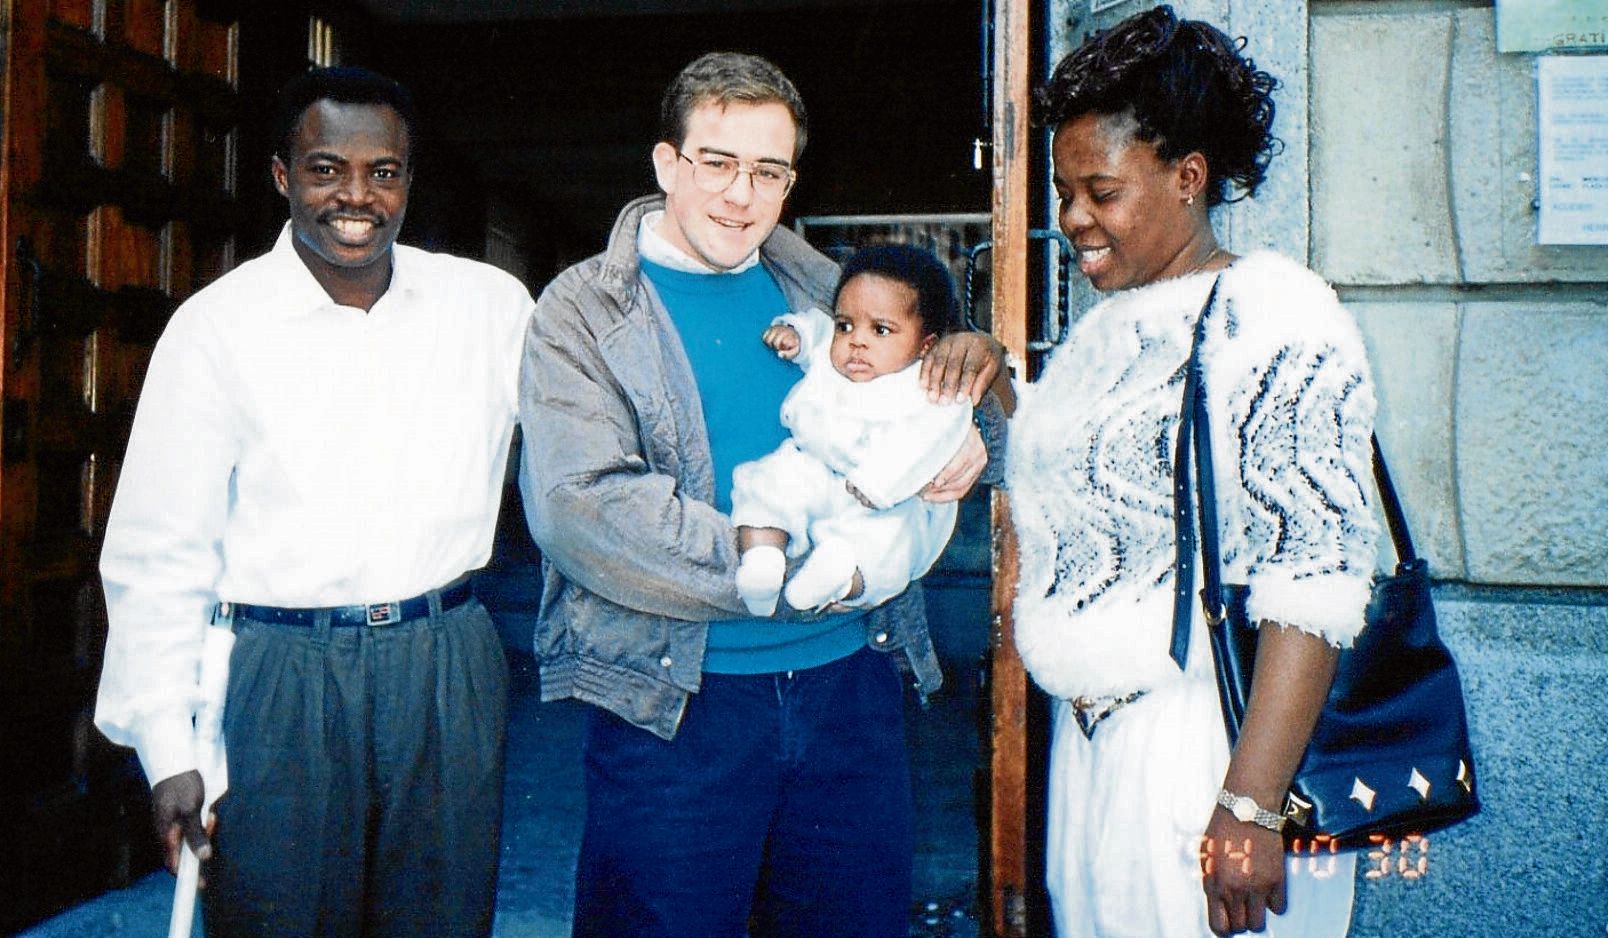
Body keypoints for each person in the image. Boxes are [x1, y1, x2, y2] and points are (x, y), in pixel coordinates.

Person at [518, 51, 1004, 938]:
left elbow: (967, 432)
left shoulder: (829, 290)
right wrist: (796, 564)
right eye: (718, 163)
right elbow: (582, 510)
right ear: (668, 163)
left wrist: (983, 381)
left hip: (850, 693)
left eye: (768, 171)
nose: (742, 196)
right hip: (677, 709)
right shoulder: (583, 312)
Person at [94, 67, 535, 937]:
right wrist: (167, 751)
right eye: (328, 168)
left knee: (440, 920)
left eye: (384, 171)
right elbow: (159, 548)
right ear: (282, 177)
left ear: (409, 179)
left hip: (444, 662)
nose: (357, 196)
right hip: (280, 674)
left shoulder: (489, 308)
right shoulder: (218, 329)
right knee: (277, 918)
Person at [1006, 6, 1378, 937]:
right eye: (1063, 191)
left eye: (1100, 190)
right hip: (1088, 753)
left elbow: (1316, 579)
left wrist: (1249, 807)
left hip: (1204, 749)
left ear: (1187, 176)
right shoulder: (1099, 332)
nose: (1073, 220)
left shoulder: (1273, 312)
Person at [732, 243, 974, 616]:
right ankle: (762, 561)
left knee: (886, 545)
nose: (856, 340)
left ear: (926, 346)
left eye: (881, 330)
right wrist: (794, 336)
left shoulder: (929, 388)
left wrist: (879, 484)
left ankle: (841, 575)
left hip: (887, 498)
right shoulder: (836, 352)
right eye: (846, 324)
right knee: (770, 483)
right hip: (816, 467)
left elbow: (931, 439)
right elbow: (814, 327)